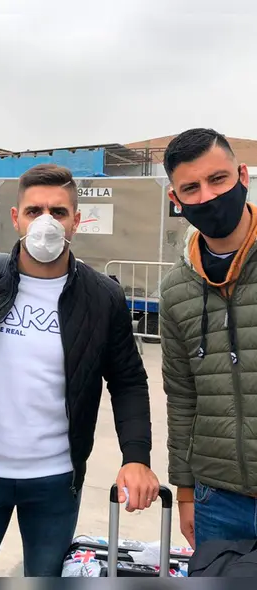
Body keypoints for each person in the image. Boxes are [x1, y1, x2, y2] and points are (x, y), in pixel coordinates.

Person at [0, 163, 159, 577]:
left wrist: (137, 456)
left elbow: (128, 380)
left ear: (76, 221)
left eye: (57, 212)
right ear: (15, 217)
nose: (45, 222)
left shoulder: (102, 296)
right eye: (34, 210)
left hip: (56, 480)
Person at [159, 128, 257, 549]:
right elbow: (182, 398)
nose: (208, 197)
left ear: (242, 175)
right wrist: (184, 492)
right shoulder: (175, 289)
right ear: (175, 200)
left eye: (218, 180)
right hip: (215, 499)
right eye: (191, 188)